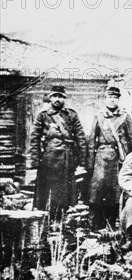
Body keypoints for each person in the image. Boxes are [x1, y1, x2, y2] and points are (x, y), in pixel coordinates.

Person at [30, 85, 88, 220]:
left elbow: (80, 137)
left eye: (60, 96)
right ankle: (47, 220)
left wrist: (83, 160)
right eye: (55, 96)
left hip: (67, 157)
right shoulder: (43, 115)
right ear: (50, 98)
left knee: (65, 193)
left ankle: (63, 220)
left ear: (64, 98)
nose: (57, 99)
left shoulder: (71, 115)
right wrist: (35, 160)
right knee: (46, 193)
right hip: (48, 158)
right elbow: (34, 138)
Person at [87, 86, 132, 230]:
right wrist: (90, 164)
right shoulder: (99, 116)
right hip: (101, 158)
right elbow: (92, 140)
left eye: (115, 98)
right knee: (98, 190)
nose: (112, 100)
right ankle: (96, 222)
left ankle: (114, 221)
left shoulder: (125, 116)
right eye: (110, 97)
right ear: (105, 99)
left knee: (116, 191)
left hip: (120, 158)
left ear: (118, 100)